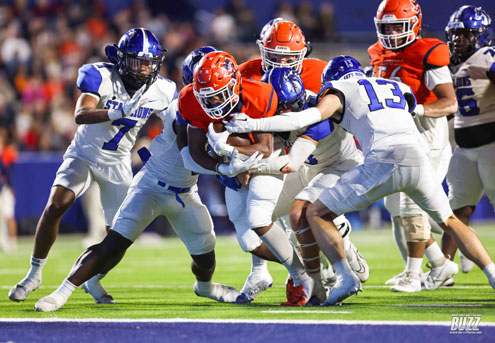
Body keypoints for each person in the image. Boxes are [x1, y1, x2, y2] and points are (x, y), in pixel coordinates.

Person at [224, 55, 495, 306]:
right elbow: (410, 106)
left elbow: (310, 118)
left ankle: (345, 277)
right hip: (416, 158)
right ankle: (492, 272)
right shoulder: (395, 85)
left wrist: (250, 126)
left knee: (315, 213)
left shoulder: (337, 90)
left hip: (380, 160)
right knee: (450, 222)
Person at [33, 47, 255, 312]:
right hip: (152, 187)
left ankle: (205, 287)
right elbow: (192, 157)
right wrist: (227, 165)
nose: (217, 95)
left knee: (206, 250)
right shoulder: (183, 108)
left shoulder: (219, 109)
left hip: (185, 193)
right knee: (114, 244)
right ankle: (62, 292)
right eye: (210, 86)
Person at [8, 28, 173, 304]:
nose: (144, 68)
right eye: (137, 60)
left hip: (119, 162)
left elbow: (173, 129)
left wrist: (150, 153)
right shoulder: (101, 74)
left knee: (120, 237)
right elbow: (80, 114)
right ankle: (34, 273)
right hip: (84, 153)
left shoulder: (163, 89)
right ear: (122, 59)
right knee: (57, 203)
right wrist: (116, 111)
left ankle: (93, 280)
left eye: (149, 61)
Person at [181, 51, 321, 306]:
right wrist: (223, 168)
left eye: (219, 95)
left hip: (269, 156)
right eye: (207, 98)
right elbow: (194, 151)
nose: (213, 103)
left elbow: (265, 147)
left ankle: (305, 275)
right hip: (232, 168)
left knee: (259, 217)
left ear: (235, 84)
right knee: (248, 241)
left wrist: (227, 147)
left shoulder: (259, 94)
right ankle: (297, 268)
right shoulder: (190, 100)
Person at [244, 67, 369, 287]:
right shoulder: (266, 111)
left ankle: (343, 251)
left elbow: (291, 162)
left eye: (291, 105)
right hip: (309, 170)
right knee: (264, 216)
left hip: (339, 168)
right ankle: (319, 270)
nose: (286, 112)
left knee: (305, 211)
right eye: (280, 107)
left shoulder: (319, 110)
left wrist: (250, 166)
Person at [369, 0, 459, 292]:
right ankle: (442, 264)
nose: (392, 32)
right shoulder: (378, 54)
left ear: (414, 24)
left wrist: (418, 109)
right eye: (387, 26)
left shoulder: (427, 52)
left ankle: (414, 273)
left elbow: (449, 102)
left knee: (410, 205)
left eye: (398, 25)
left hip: (427, 137)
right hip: (398, 138)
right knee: (394, 206)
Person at [443, 5, 495, 272]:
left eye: (465, 34)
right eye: (455, 34)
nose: (458, 39)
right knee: (454, 211)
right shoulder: (453, 63)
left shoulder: (488, 56)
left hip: (491, 145)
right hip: (464, 148)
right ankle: (444, 268)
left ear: (481, 35)